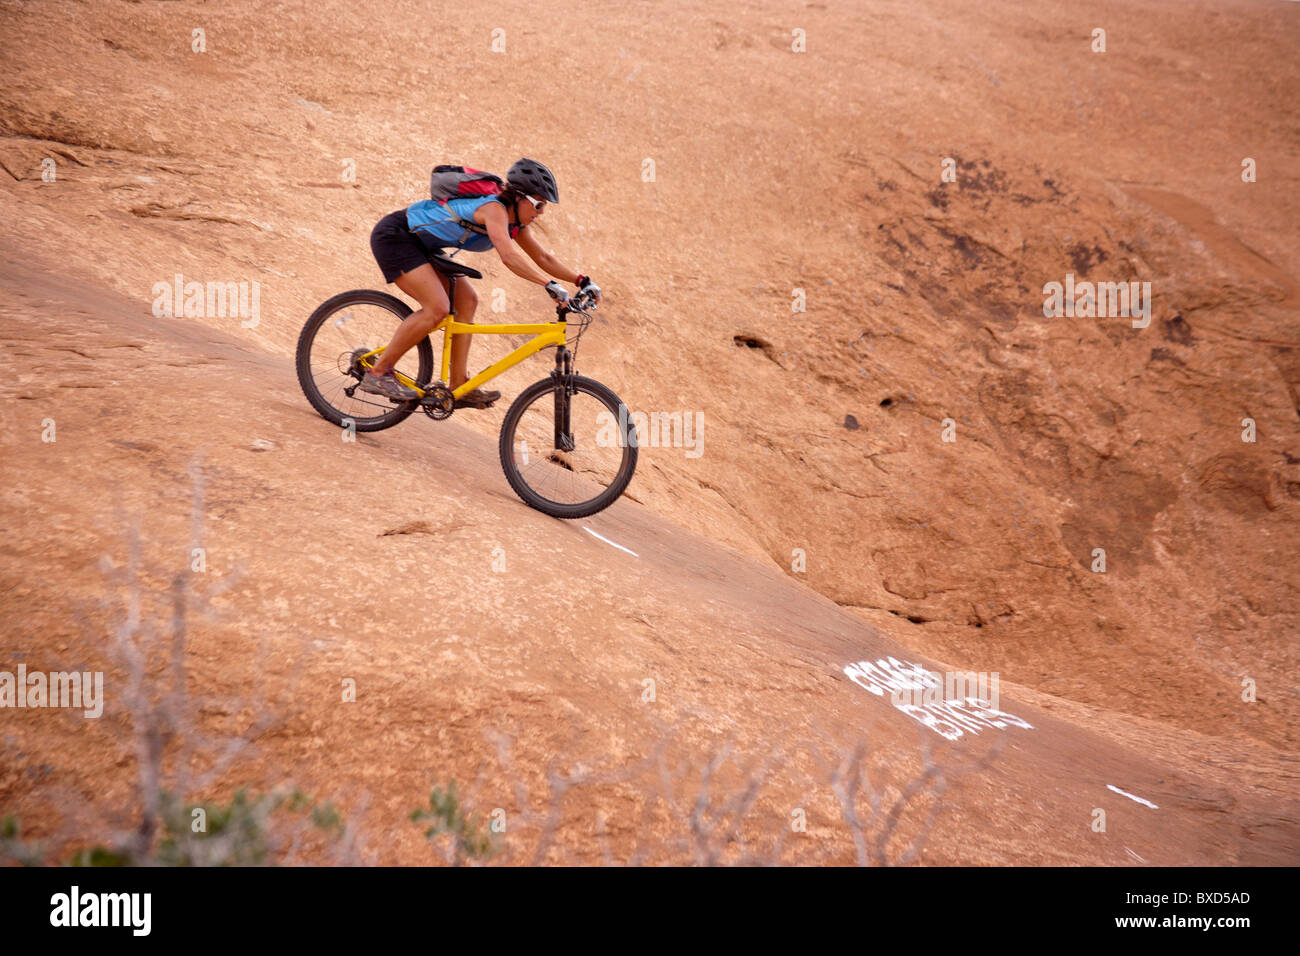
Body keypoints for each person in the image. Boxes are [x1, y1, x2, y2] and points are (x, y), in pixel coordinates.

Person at [361, 158, 600, 408]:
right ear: (518, 197)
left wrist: (581, 281)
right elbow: (509, 257)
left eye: (544, 207)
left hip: (423, 246)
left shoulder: (515, 224)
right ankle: (378, 373)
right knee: (438, 308)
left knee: (468, 300)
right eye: (538, 205)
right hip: (397, 237)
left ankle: (458, 385)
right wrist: (548, 284)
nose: (540, 213)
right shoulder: (494, 209)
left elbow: (543, 257)